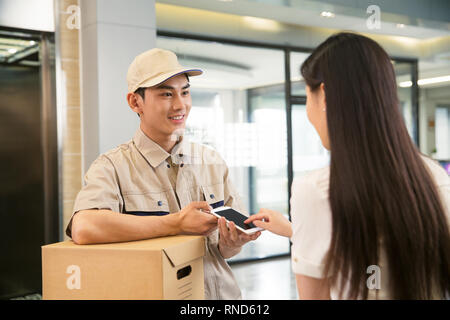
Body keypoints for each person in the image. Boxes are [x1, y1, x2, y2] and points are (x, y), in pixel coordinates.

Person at [246, 32, 450, 300]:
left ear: (325, 95)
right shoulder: (433, 174)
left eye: (307, 95)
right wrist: (294, 229)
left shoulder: (316, 189)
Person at [66, 48, 261, 300]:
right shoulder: (111, 166)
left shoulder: (211, 160)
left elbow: (224, 250)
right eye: (166, 94)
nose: (180, 105)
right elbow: (84, 227)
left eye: (185, 92)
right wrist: (176, 223)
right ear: (135, 102)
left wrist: (232, 243)